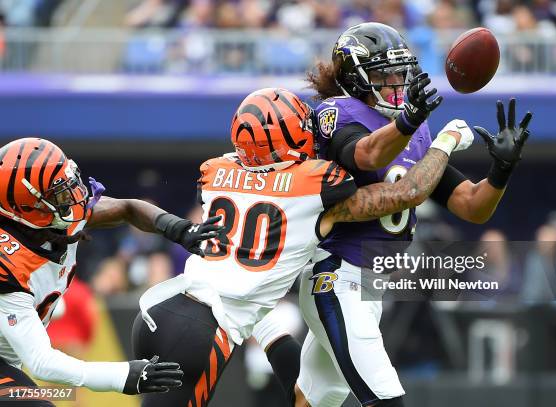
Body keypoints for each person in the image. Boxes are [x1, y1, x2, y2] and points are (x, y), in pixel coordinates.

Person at [132, 86, 474, 407]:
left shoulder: (214, 170)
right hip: (204, 333)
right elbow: (405, 194)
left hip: (168, 309)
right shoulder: (316, 184)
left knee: (309, 389)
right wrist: (445, 141)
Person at [298, 22, 532, 406]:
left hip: (372, 284)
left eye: (398, 72)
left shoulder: (416, 130)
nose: (394, 82)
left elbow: (471, 206)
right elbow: (366, 154)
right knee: (388, 399)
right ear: (355, 79)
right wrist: (406, 122)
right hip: (337, 276)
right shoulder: (336, 112)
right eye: (381, 74)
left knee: (313, 400)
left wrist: (500, 171)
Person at [0, 138, 222, 404]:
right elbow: (41, 362)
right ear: (27, 208)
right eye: (59, 195)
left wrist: (179, 228)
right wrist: (123, 375)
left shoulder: (50, 221)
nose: (75, 197)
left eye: (69, 184)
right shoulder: (9, 265)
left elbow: (128, 208)